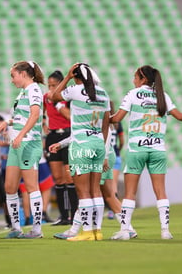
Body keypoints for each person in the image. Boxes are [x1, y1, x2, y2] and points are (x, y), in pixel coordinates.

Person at [110, 65, 182, 240]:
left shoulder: (133, 94)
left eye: (135, 77)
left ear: (143, 79)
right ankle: (165, 231)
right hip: (157, 150)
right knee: (160, 191)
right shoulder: (163, 96)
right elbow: (178, 115)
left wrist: (100, 118)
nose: (133, 80)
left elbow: (116, 119)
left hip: (137, 149)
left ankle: (125, 231)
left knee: (130, 192)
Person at [50, 63, 110, 241]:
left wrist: (66, 77)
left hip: (81, 145)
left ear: (76, 77)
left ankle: (86, 232)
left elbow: (54, 97)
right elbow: (106, 126)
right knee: (95, 191)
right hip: (98, 143)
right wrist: (104, 150)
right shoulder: (103, 93)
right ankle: (97, 232)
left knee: (83, 192)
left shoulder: (76, 90)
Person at [0, 60, 45, 239]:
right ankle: (16, 228)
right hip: (17, 144)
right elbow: (22, 116)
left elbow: (34, 115)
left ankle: (37, 229)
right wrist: (8, 122)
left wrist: (20, 135)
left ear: (23, 74)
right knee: (9, 187)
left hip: (28, 143)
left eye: (13, 75)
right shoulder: (22, 93)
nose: (12, 80)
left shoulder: (33, 89)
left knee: (32, 187)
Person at [43, 70, 78, 225]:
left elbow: (70, 116)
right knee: (58, 178)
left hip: (68, 135)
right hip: (53, 136)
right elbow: (41, 114)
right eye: (49, 86)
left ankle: (75, 215)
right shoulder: (45, 98)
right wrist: (44, 124)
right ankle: (63, 216)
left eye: (54, 85)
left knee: (70, 177)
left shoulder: (68, 98)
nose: (51, 89)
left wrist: (56, 102)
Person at [107, 101, 124, 219]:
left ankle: (114, 210)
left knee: (105, 186)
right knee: (113, 186)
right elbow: (122, 140)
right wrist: (118, 149)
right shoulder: (117, 123)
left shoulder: (102, 121)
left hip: (106, 156)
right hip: (116, 156)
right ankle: (117, 210)